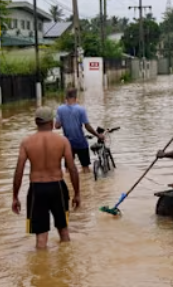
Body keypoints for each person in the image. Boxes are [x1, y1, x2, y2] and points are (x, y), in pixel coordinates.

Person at [13, 106, 82, 249]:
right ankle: (66, 261)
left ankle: (41, 263)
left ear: (36, 122)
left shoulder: (26, 142)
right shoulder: (62, 141)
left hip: (37, 189)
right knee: (64, 231)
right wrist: (77, 193)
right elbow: (72, 168)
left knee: (41, 236)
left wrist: (15, 196)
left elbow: (19, 170)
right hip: (57, 187)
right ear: (52, 122)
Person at [55, 88, 104, 173]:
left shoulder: (60, 109)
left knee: (68, 169)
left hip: (67, 143)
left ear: (66, 97)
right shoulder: (81, 109)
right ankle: (87, 181)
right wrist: (97, 135)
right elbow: (87, 127)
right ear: (75, 97)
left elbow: (57, 126)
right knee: (85, 167)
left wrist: (64, 119)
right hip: (81, 142)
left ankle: (69, 181)